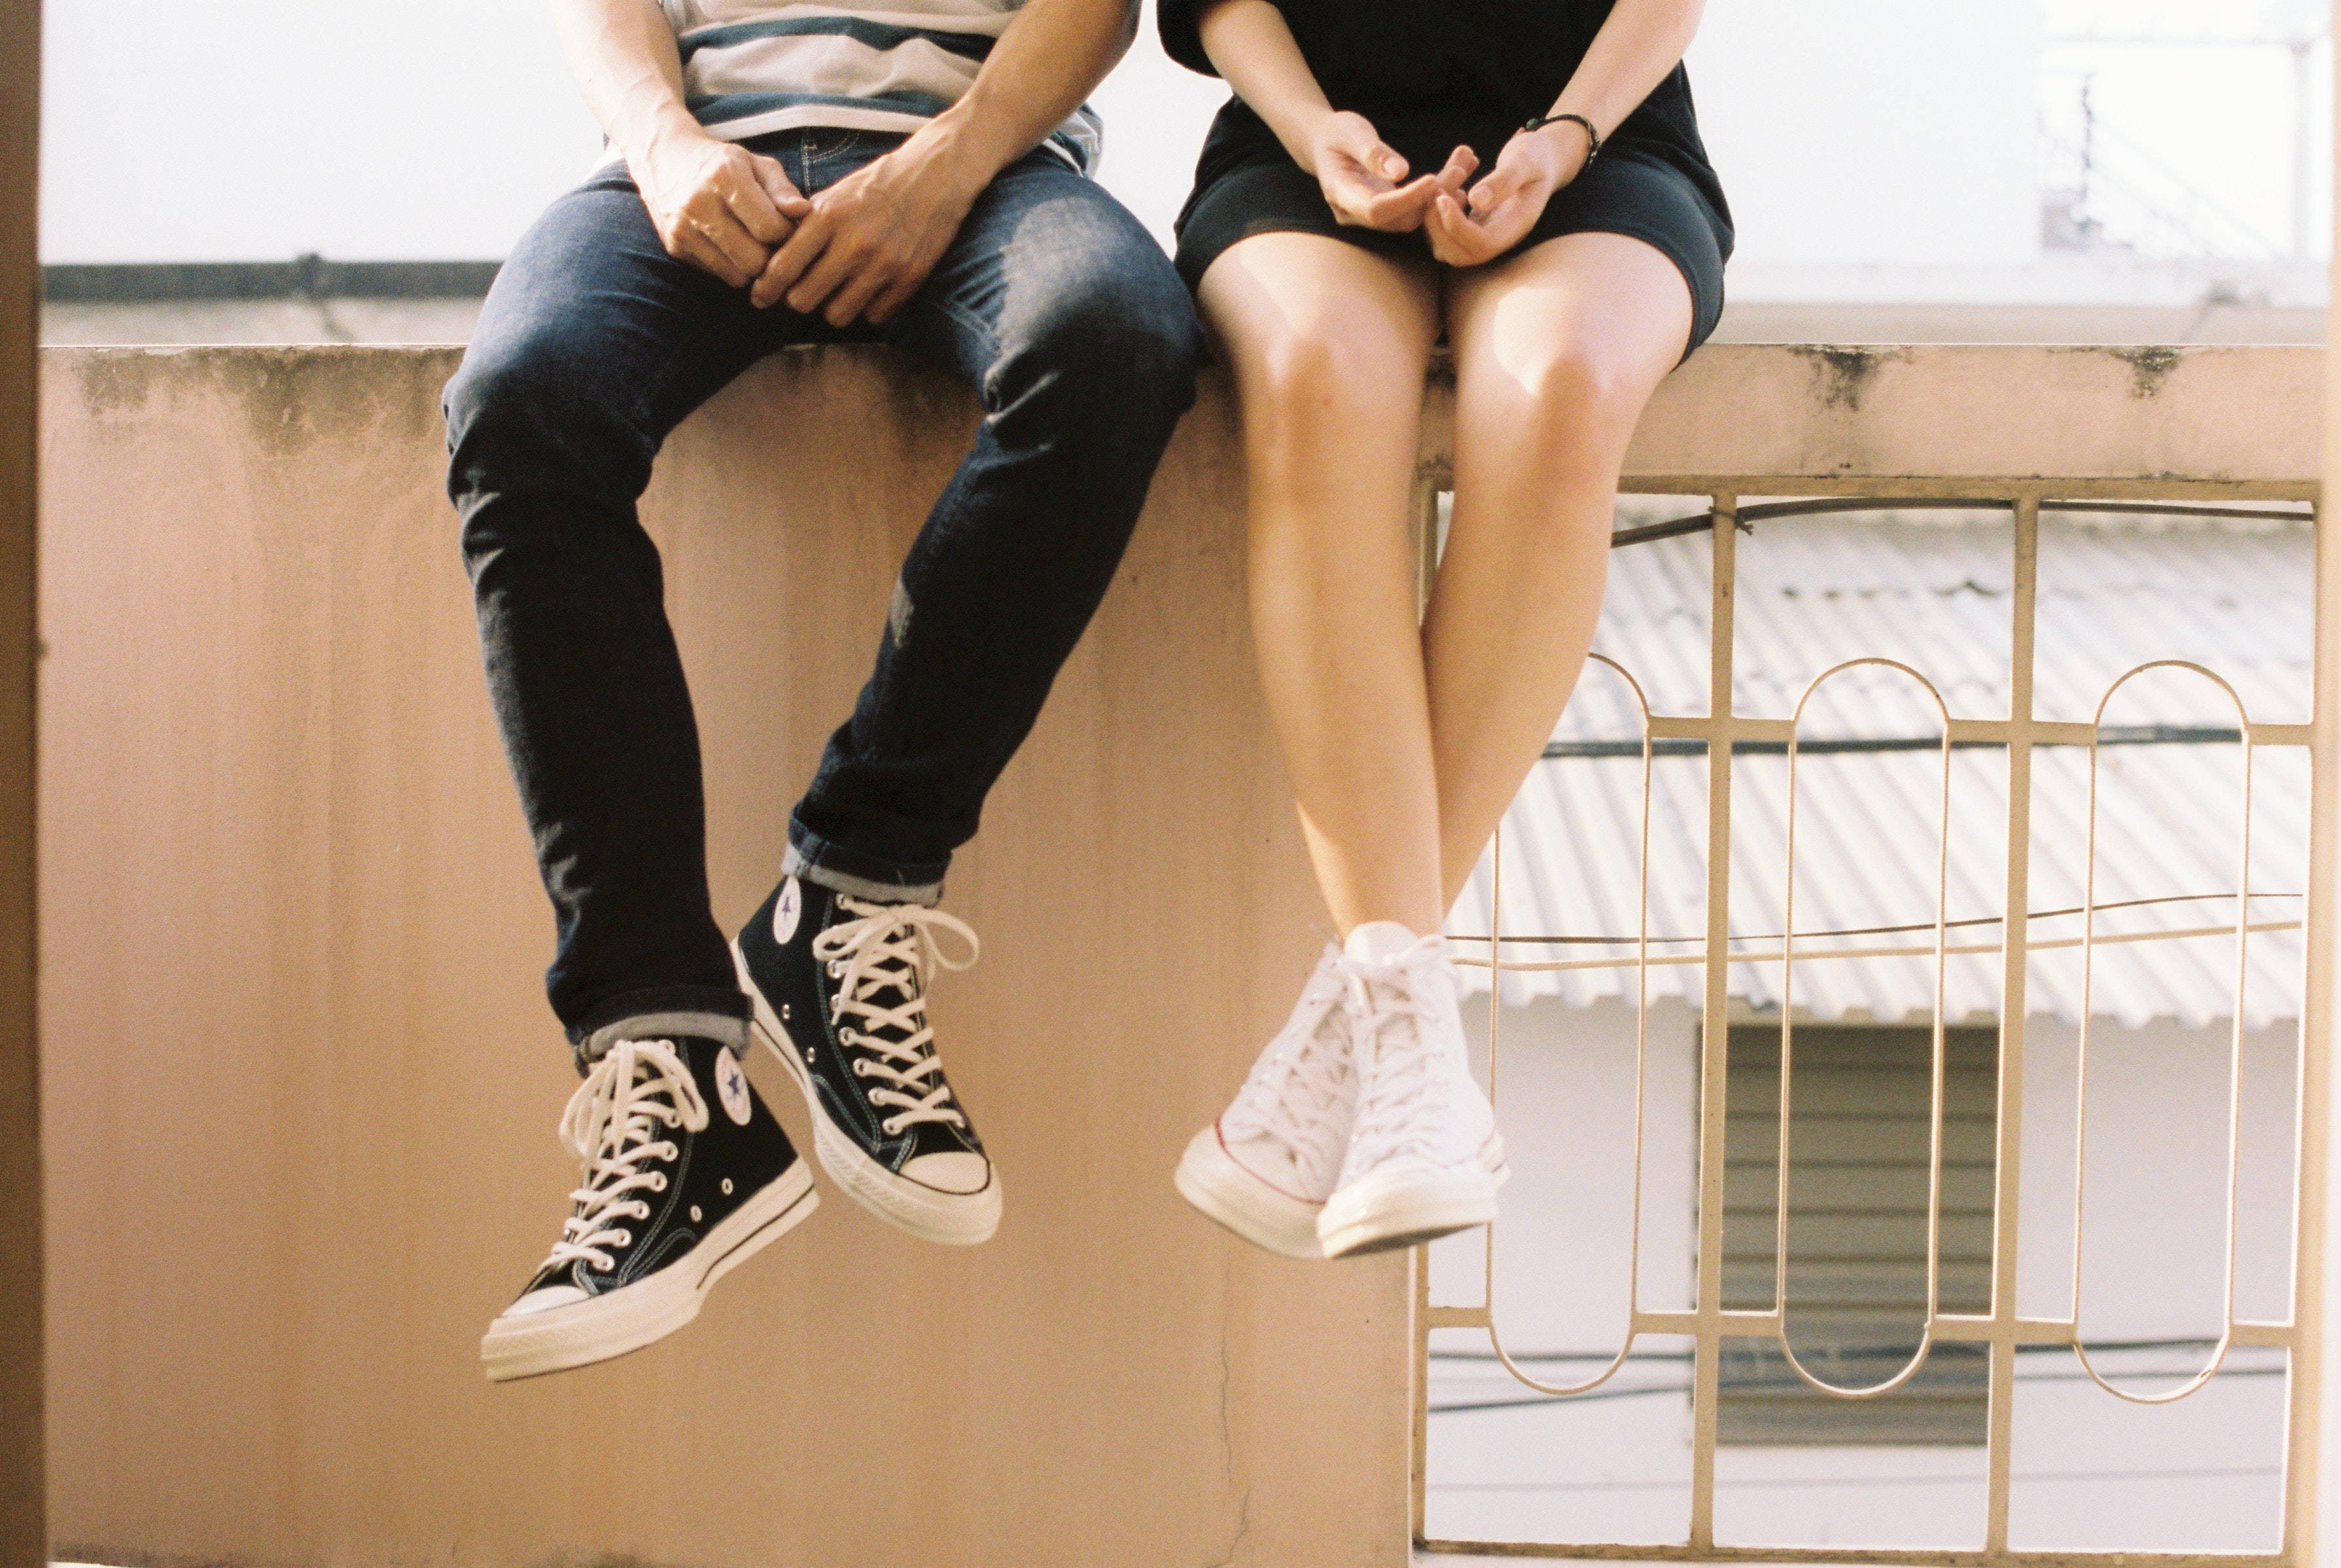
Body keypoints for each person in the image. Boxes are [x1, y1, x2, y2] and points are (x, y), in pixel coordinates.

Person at [444, 0, 1199, 1381]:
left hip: (987, 175)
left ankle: (845, 887)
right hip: (685, 171)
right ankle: (671, 1064)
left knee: (1116, 335)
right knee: (520, 394)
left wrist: (951, 158)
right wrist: (666, 145)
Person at [1159, 0, 1730, 1261]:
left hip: (1600, 148)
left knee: (1563, 385)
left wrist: (1560, 141)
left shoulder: (1588, 140)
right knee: (1312, 370)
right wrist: (1318, 135)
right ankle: (1411, 1049)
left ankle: (1368, 1021)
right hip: (1304, 156)